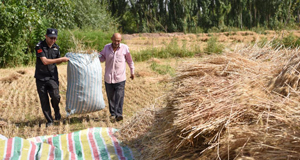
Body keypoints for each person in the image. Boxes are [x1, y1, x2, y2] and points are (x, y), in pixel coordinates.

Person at [34, 28, 69, 127]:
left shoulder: (56, 48)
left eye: (54, 38)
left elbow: (57, 61)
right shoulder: (39, 46)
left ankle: (56, 111)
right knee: (44, 100)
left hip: (52, 77)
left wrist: (65, 60)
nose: (53, 40)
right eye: (51, 38)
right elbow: (44, 61)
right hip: (41, 77)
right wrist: (61, 59)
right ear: (46, 36)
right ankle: (49, 120)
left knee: (55, 96)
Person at [99, 33, 135, 122]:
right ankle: (113, 114)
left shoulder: (125, 48)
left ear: (121, 40)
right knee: (111, 97)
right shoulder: (106, 47)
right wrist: (95, 56)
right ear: (111, 39)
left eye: (118, 41)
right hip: (108, 78)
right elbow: (102, 58)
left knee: (119, 96)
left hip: (120, 78)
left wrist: (132, 72)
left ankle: (119, 114)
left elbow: (130, 61)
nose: (116, 42)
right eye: (115, 40)